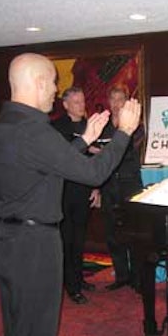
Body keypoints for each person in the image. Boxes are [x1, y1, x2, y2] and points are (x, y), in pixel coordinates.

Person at [0, 52, 141, 336]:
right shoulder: (35, 130)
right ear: (38, 82)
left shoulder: (6, 124)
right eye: (52, 82)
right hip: (35, 245)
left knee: (19, 328)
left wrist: (82, 140)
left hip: (7, 239)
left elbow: (42, 166)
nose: (54, 90)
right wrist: (125, 132)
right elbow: (93, 173)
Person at [52, 86, 100, 304]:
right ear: (66, 105)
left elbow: (94, 162)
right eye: (77, 102)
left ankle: (79, 280)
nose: (82, 106)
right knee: (67, 239)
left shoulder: (87, 125)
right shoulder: (56, 126)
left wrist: (96, 187)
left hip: (83, 190)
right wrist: (86, 146)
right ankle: (71, 287)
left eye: (83, 101)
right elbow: (63, 157)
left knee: (80, 239)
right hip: (62, 191)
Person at [100, 86, 144, 291]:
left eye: (121, 100)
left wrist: (119, 132)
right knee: (112, 232)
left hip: (129, 183)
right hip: (108, 184)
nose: (117, 104)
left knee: (134, 231)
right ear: (109, 101)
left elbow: (125, 151)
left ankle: (137, 278)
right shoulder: (101, 125)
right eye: (113, 99)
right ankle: (121, 276)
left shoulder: (136, 125)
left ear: (126, 102)